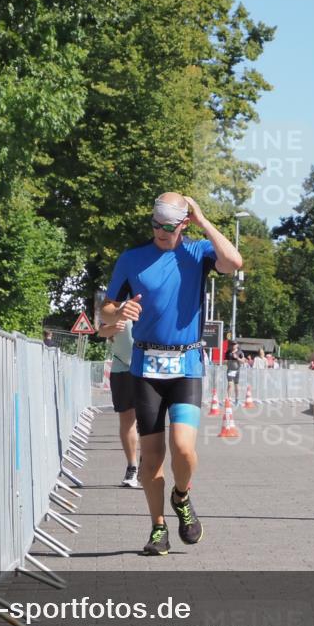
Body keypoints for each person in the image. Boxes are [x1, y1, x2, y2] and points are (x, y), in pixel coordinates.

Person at [100, 192, 242, 556]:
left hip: (186, 364)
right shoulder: (132, 258)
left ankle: (181, 495)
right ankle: (158, 527)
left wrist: (204, 221)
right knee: (151, 458)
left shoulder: (198, 252)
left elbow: (233, 261)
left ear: (184, 224)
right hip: (145, 366)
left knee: (183, 448)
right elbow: (106, 310)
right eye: (156, 225)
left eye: (169, 226)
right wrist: (120, 312)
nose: (161, 233)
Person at [97, 318, 139, 488]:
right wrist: (114, 326)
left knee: (149, 421)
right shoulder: (115, 308)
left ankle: (148, 465)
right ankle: (132, 467)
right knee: (127, 420)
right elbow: (102, 331)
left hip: (149, 369)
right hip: (122, 369)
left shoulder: (150, 304)